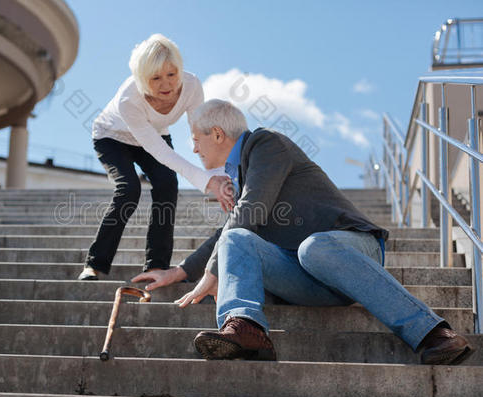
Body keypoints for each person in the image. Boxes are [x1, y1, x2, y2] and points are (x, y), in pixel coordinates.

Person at [132, 99, 474, 365]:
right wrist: (180, 271)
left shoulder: (266, 145)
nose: (193, 149)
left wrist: (210, 272)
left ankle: (432, 332)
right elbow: (231, 228)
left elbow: (251, 210)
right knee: (236, 239)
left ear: (218, 134)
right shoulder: (241, 176)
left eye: (195, 140)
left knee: (312, 248)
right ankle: (246, 327)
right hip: (307, 277)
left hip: (350, 250)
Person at [79, 34, 233, 281]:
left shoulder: (192, 86)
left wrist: (219, 177)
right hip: (112, 137)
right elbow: (159, 151)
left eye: (172, 74)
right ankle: (94, 264)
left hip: (154, 134)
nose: (167, 85)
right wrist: (204, 182)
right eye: (156, 78)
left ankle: (156, 266)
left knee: (167, 184)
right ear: (142, 78)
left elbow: (200, 137)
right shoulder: (130, 98)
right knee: (129, 189)